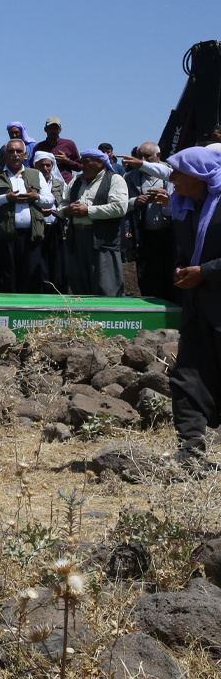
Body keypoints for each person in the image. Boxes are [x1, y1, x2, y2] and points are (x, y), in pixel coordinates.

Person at [162, 146, 221, 470]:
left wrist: (206, 272)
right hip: (198, 307)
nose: (172, 180)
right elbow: (184, 251)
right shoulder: (185, 206)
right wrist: (183, 269)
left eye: (177, 173)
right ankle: (191, 448)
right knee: (187, 376)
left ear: (199, 175)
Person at [61, 150, 128, 296]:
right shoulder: (76, 181)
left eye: (87, 162)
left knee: (106, 284)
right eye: (81, 162)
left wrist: (88, 211)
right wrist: (67, 210)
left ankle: (109, 317)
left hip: (102, 239)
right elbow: (62, 204)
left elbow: (119, 208)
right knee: (80, 284)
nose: (82, 165)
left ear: (100, 163)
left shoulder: (114, 180)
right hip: (77, 238)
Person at [0, 140, 47, 293]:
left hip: (31, 236)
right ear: (5, 154)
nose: (15, 155)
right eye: (11, 151)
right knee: (7, 277)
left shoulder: (35, 174)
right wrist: (6, 198)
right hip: (5, 235)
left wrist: (35, 197)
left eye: (18, 152)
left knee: (31, 276)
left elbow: (50, 201)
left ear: (25, 155)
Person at [125, 141, 175, 302]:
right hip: (144, 235)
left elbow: (182, 201)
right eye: (140, 156)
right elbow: (122, 204)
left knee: (170, 273)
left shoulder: (171, 173)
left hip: (170, 234)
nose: (143, 159)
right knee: (146, 275)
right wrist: (135, 201)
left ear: (158, 156)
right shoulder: (131, 176)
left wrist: (167, 197)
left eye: (147, 156)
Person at [32, 150, 68, 292]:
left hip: (56, 228)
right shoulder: (32, 182)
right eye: (42, 166)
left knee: (58, 265)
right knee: (41, 265)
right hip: (38, 228)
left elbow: (66, 201)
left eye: (48, 165)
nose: (46, 169)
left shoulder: (60, 184)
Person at [35, 117, 81, 183]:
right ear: (45, 129)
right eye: (51, 128)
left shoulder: (69, 144)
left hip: (65, 183)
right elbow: (33, 166)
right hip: (44, 183)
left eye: (55, 128)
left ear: (60, 130)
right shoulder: (39, 147)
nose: (53, 131)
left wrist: (67, 161)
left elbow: (80, 167)